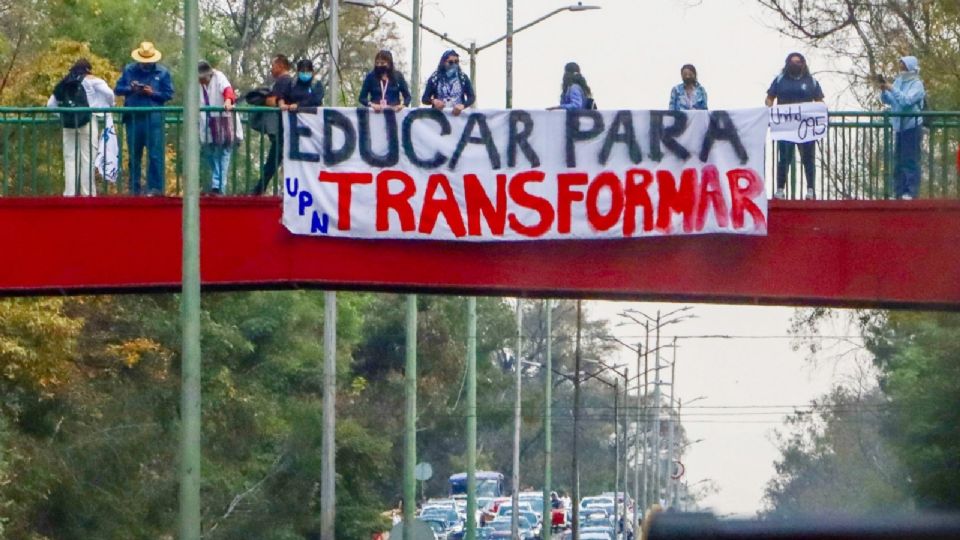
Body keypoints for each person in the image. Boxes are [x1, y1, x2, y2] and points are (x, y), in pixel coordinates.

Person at [47, 58, 115, 196]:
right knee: (88, 158)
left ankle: (69, 194)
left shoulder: (65, 82)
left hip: (68, 124)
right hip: (88, 121)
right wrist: (110, 105)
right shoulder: (93, 80)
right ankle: (88, 193)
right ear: (88, 70)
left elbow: (50, 105)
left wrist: (62, 116)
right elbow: (109, 94)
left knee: (70, 158)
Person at [115, 42, 174, 196]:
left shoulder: (163, 72)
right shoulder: (129, 70)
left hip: (153, 119)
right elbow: (118, 89)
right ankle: (134, 189)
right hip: (133, 118)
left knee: (155, 154)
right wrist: (131, 88)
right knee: (134, 155)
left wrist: (152, 93)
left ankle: (155, 188)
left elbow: (168, 94)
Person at [765, 52, 824, 200]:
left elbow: (819, 101)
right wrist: (770, 110)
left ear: (803, 64)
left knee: (808, 158)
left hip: (806, 127)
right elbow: (769, 98)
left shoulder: (811, 81)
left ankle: (811, 190)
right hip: (785, 127)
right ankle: (780, 189)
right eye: (792, 62)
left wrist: (820, 115)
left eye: (798, 62)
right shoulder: (780, 80)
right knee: (784, 157)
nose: (795, 64)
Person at [879, 56, 926, 200]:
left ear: (910, 68)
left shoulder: (917, 85)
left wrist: (892, 89)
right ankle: (898, 191)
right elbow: (890, 100)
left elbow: (906, 101)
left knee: (910, 159)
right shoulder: (899, 81)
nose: (901, 70)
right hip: (899, 126)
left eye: (903, 67)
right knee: (898, 160)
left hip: (912, 126)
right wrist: (884, 91)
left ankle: (910, 191)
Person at [251, 54, 293, 195]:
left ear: (281, 66)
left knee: (272, 162)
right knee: (276, 162)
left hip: (282, 129)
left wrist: (264, 98)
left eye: (273, 66)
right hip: (288, 129)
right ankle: (259, 189)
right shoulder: (292, 81)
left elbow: (271, 101)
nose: (271, 69)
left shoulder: (282, 81)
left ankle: (258, 191)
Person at [198, 61, 239, 195]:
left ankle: (218, 187)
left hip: (224, 122)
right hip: (207, 124)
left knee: (223, 154)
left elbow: (228, 91)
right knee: (209, 153)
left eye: (203, 78)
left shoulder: (219, 77)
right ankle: (217, 184)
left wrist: (227, 102)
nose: (201, 80)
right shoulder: (197, 84)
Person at [421, 49, 475, 115]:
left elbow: (471, 97)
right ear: (443, 62)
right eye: (450, 62)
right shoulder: (435, 78)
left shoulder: (463, 78)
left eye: (456, 62)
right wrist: (434, 101)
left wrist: (463, 106)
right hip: (439, 117)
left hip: (458, 116)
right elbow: (425, 98)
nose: (454, 65)